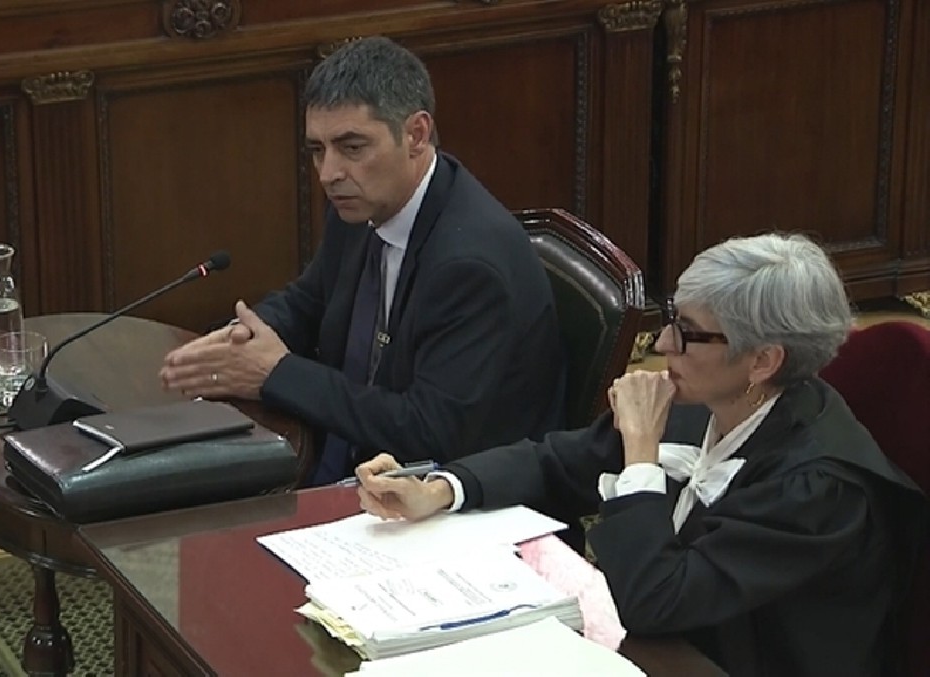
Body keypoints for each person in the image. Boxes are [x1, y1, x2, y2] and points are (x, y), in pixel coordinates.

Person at [354, 232, 928, 675]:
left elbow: (655, 600)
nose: (664, 343)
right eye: (673, 317)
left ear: (763, 361)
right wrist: (440, 489)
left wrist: (641, 457)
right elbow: (557, 461)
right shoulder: (706, 398)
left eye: (691, 333)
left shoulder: (819, 491)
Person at [159, 36, 565, 485]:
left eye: (352, 148)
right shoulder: (361, 205)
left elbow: (428, 431)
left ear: (416, 135)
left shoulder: (469, 266)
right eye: (318, 149)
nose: (329, 173)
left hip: (446, 493)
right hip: (356, 461)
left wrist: (276, 373)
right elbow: (309, 301)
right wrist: (242, 339)